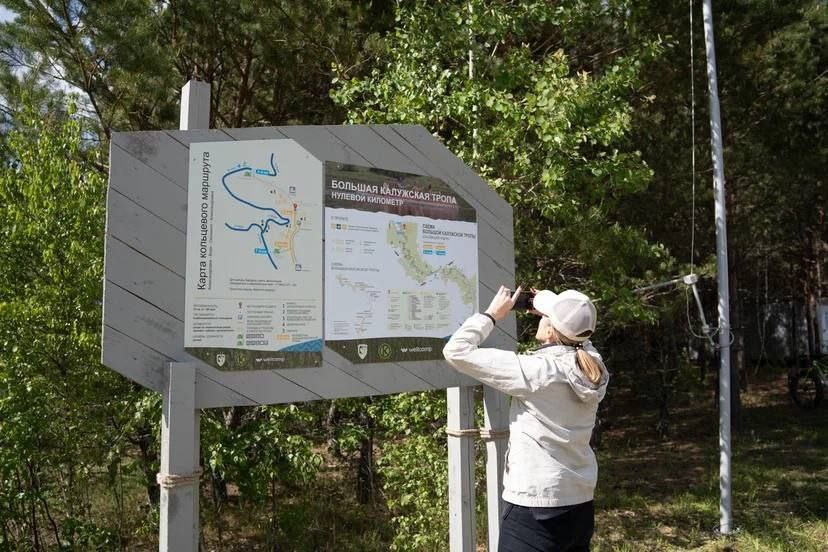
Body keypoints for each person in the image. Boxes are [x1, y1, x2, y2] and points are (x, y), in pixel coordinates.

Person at [443, 285, 609, 552]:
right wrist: (547, 306)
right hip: (579, 503)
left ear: (551, 329)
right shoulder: (594, 366)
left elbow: (456, 351)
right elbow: (579, 337)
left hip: (535, 508)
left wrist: (491, 315)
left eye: (546, 317)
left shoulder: (535, 371)